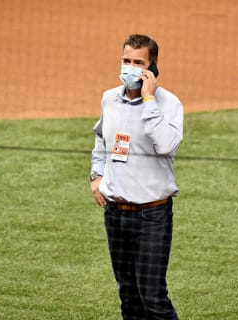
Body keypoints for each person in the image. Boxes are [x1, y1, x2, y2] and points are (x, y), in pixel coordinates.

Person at [90, 34, 183, 320]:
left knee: (153, 297)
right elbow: (102, 140)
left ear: (152, 68)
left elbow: (166, 144)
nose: (130, 68)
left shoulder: (169, 104)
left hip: (152, 217)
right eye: (126, 60)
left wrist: (149, 100)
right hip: (115, 214)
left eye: (138, 63)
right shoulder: (109, 99)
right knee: (128, 297)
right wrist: (97, 174)